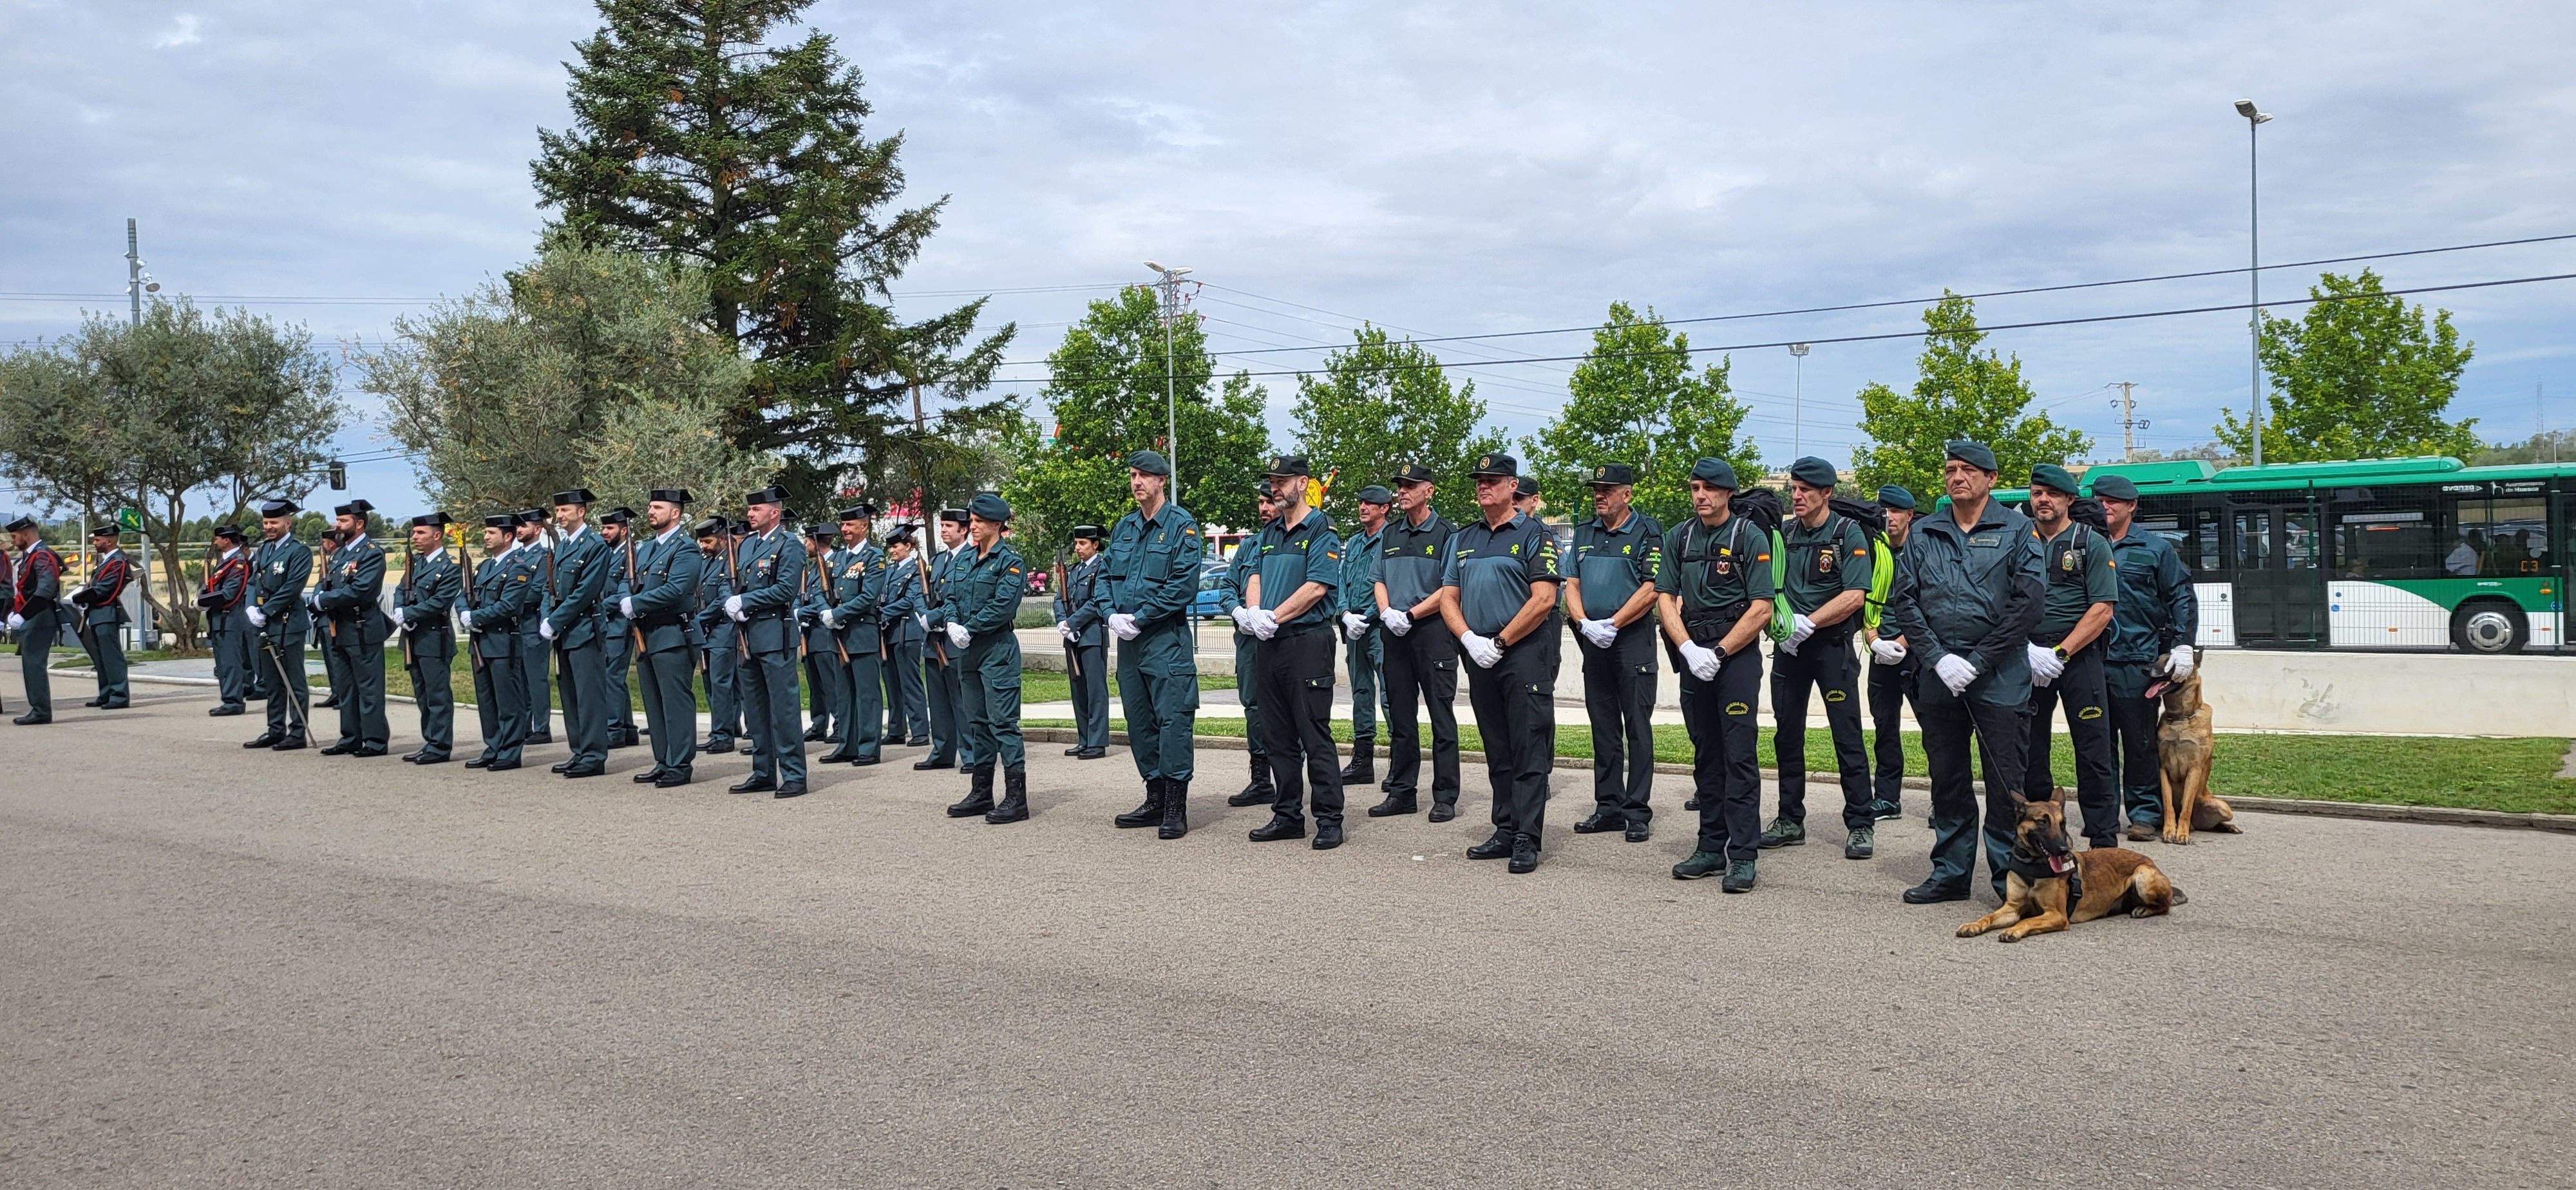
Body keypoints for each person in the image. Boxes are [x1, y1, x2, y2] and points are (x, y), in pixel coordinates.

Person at [1883, 440, 2045, 904]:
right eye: (1951, 469)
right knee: (1948, 780)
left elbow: (2028, 604)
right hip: (1939, 677)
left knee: (2006, 786)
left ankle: (2009, 881)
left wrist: (1976, 661)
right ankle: (1951, 874)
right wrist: (1937, 658)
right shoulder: (1924, 532)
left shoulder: (2019, 530)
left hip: (1999, 677)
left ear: (1991, 479)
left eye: (1969, 470)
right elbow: (1905, 600)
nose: (1957, 477)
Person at [1439, 453, 1561, 874]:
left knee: (1528, 747)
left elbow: (1544, 599)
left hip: (1522, 653)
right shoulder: (1463, 538)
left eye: (1492, 480)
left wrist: (1502, 640)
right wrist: (1469, 638)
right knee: (1497, 748)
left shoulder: (1535, 535)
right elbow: (1448, 597)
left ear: (1513, 487)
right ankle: (1505, 828)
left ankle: (1527, 837)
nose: (1483, 486)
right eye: (1480, 480)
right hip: (1480, 654)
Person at [1658, 458, 1774, 891]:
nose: (1700, 496)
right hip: (1695, 653)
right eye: (1695, 488)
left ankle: (1742, 855)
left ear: (1728, 493)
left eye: (1709, 488)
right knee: (1706, 753)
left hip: (1735, 656)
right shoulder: (1680, 536)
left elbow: (1761, 608)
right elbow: (1665, 598)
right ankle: (1710, 846)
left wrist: (1721, 651)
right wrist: (1688, 648)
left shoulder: (1748, 536)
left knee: (1738, 754)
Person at [1761, 457, 1879, 860]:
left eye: (1805, 490)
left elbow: (1855, 596)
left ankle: (1860, 823)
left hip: (1830, 648)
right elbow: (1767, 588)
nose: (1796, 496)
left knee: (1846, 735)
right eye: (1793, 489)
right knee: (1786, 734)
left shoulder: (1847, 533)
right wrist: (1782, 627)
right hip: (1790, 649)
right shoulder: (1784, 534)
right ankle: (1790, 819)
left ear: (1826, 493)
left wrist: (1808, 623)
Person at [1239, 455, 1348, 849]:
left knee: (1313, 733)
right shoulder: (1269, 532)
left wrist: (1276, 616)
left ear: (1303, 484)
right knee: (1278, 736)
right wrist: (1256, 612)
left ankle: (1329, 819)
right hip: (1270, 643)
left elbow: (1317, 586)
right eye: (1272, 481)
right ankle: (1287, 815)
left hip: (1306, 642)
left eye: (1282, 481)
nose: (1275, 488)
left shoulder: (1321, 529)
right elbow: (1254, 575)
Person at [1102, 449, 1204, 838]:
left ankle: (1176, 806)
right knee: (1140, 722)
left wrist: (1140, 618)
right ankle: (1155, 796)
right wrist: (1110, 614)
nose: (1137, 482)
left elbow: (1183, 586)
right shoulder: (1125, 527)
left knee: (1173, 721)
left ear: (1162, 481)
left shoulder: (1181, 526)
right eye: (1132, 475)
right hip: (1130, 644)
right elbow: (1104, 577)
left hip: (1165, 641)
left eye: (1144, 476)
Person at [2094, 473, 2199, 842]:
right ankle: (2102, 816)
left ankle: (2144, 814)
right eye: (2099, 501)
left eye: (2112, 502)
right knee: (2097, 744)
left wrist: (2184, 644)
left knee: (2139, 742)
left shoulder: (2156, 549)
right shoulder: (2083, 542)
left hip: (2136, 660)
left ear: (2132, 506)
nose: (2105, 507)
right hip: (2090, 659)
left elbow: (2181, 596)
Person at [2020, 464, 2120, 847]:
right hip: (2029, 657)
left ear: (2069, 500)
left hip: (2077, 658)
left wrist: (2061, 653)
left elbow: (2102, 609)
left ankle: (2103, 839)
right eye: (2037, 494)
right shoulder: (2019, 541)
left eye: (2052, 494)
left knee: (2094, 748)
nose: (2043, 500)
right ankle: (2040, 836)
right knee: (2030, 748)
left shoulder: (2090, 542)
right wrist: (2028, 650)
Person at [1565, 462, 1663, 843]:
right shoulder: (1584, 532)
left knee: (1637, 727)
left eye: (1607, 490)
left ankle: (1636, 811)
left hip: (1631, 639)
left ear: (1627, 494)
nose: (1599, 496)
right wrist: (1584, 623)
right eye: (1596, 490)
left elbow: (1652, 588)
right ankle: (1608, 807)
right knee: (1603, 727)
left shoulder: (1646, 532)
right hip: (1594, 640)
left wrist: (1614, 623)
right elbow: (1572, 583)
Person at [1370, 463, 1462, 820]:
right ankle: (1402, 792)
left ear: (1429, 491)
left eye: (1410, 486)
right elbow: (1378, 578)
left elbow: (1449, 588)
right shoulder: (1390, 533)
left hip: (1432, 633)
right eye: (1400, 486)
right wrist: (1387, 612)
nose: (1402, 492)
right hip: (1395, 633)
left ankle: (1445, 796)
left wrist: (1411, 615)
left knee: (1441, 717)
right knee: (1401, 718)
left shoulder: (1447, 534)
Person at [939, 493, 1030, 824]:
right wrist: (952, 622)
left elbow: (1003, 606)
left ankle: (1016, 798)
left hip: (996, 650)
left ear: (996, 524)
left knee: (1003, 723)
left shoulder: (1010, 562)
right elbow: (949, 595)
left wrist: (971, 627)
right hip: (969, 652)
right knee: (978, 723)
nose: (973, 526)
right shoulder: (965, 559)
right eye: (972, 521)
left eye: (978, 522)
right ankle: (981, 792)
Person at [725, 487, 811, 798]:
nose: (750, 514)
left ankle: (794, 775)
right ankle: (763, 772)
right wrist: (731, 603)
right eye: (750, 509)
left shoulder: (789, 545)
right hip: (748, 637)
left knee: (783, 709)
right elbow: (731, 583)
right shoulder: (748, 545)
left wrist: (745, 601)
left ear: (775, 513)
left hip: (776, 636)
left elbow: (786, 589)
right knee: (756, 709)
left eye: (757, 510)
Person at [622, 489, 706, 788]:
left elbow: (676, 589)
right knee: (654, 703)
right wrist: (625, 599)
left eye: (658, 507)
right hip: (646, 634)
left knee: (675, 702)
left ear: (675, 513)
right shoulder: (645, 549)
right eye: (650, 507)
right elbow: (626, 580)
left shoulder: (685, 548)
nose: (650, 511)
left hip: (673, 633)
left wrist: (636, 603)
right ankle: (663, 760)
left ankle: (680, 764)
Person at [538, 489, 614, 779]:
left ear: (581, 512)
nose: (559, 515)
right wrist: (547, 617)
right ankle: (579, 751)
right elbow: (550, 587)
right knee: (570, 695)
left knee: (588, 695)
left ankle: (594, 755)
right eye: (557, 511)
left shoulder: (594, 545)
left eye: (564, 510)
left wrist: (555, 620)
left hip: (584, 630)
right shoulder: (563, 546)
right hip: (565, 631)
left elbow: (585, 592)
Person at [313, 500, 392, 756]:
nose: (337, 525)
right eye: (337, 520)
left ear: (359, 524)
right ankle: (351, 737)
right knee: (346, 687)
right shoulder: (339, 554)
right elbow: (325, 582)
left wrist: (324, 600)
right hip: (340, 628)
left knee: (369, 688)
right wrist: (318, 596)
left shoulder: (371, 553)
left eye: (343, 521)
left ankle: (375, 740)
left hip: (362, 628)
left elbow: (361, 590)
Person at [1219, 487, 1280, 810]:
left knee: (1288, 709)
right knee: (1254, 708)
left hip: (1281, 637)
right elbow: (1227, 586)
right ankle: (1260, 780)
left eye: (1270, 502)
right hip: (1248, 641)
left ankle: (1288, 779)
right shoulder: (1248, 546)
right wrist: (1238, 612)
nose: (1264, 508)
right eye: (1261, 502)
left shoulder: (1294, 542)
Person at [462, 512, 533, 772]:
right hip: (481, 643)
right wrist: (464, 612)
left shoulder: (518, 567)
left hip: (504, 643)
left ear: (508, 536)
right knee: (487, 701)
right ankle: (493, 747)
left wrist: (475, 617)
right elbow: (464, 594)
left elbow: (509, 605)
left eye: (492, 533)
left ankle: (510, 752)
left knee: (508, 701)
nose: (486, 536)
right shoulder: (484, 567)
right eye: (486, 532)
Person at [390, 513, 460, 764]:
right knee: (422, 694)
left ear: (437, 535)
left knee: (437, 695)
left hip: (434, 639)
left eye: (421, 533)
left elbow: (440, 602)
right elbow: (401, 589)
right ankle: (430, 740)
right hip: (414, 638)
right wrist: (400, 610)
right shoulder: (416, 563)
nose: (415, 537)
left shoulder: (449, 568)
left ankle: (440, 746)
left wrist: (409, 613)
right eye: (414, 533)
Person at [1866, 485, 1918, 822]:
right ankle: (1887, 798)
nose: (1889, 518)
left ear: (1909, 515)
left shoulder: (1923, 550)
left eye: (1896, 512)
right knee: (1884, 726)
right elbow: (1860, 598)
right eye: (1884, 512)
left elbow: (1932, 604)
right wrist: (1874, 640)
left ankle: (1943, 800)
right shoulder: (1873, 551)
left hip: (1916, 651)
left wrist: (1903, 642)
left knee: (1935, 729)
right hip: (1880, 649)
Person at [819, 503, 887, 766]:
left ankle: (868, 747)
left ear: (864, 526)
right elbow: (821, 591)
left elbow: (868, 596)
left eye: (850, 524)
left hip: (861, 633)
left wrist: (838, 614)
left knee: (867, 694)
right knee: (844, 694)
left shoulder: (874, 557)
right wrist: (826, 612)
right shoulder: (836, 559)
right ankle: (847, 745)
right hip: (839, 637)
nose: (845, 529)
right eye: (843, 524)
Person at [242, 500, 312, 749]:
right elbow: (253, 582)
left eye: (274, 522)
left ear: (287, 523)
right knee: (271, 680)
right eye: (266, 523)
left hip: (288, 623)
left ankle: (297, 732)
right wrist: (251, 606)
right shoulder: (264, 550)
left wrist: (266, 610)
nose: (269, 527)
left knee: (293, 680)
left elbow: (292, 588)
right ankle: (275, 729)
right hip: (265, 624)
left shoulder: (299, 551)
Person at [1337, 486, 1390, 786]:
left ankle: (1399, 761)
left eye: (1370, 503)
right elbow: (1341, 580)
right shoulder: (1356, 542)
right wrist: (1345, 613)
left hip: (1380, 627)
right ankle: (1363, 760)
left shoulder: (1391, 539)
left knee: (1389, 693)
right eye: (1361, 502)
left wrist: (1368, 616)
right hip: (1354, 626)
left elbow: (1388, 583)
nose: (1363, 507)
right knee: (1361, 692)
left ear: (1385, 508)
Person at [915, 509, 970, 771]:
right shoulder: (937, 560)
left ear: (964, 530)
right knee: (937, 701)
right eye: (943, 525)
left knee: (962, 701)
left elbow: (962, 597)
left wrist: (936, 617)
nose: (944, 530)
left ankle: (971, 754)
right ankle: (942, 752)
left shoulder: (971, 558)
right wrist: (924, 616)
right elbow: (920, 591)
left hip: (955, 641)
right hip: (934, 641)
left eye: (949, 526)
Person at [1054, 524, 1110, 759]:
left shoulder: (1102, 568)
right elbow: (1060, 598)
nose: (1078, 547)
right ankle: (1084, 739)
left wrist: (1072, 623)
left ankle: (1097, 743)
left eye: (1083, 543)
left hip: (1092, 636)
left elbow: (1098, 602)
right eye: (1076, 543)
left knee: (1096, 691)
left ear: (1095, 545)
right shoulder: (1074, 570)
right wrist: (1062, 623)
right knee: (1078, 691)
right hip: (1072, 637)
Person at [64, 525, 134, 710]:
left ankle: (119, 695)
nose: (94, 543)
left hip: (106, 613)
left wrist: (78, 598)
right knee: (101, 657)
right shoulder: (107, 561)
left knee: (111, 657)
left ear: (109, 541)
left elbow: (104, 588)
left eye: (97, 540)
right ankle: (106, 694)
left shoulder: (118, 562)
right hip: (97, 613)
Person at [6, 516, 64, 724]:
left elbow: (45, 591)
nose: (13, 541)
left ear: (26, 534)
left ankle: (41, 711)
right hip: (34, 616)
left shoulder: (42, 556)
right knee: (31, 664)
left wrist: (23, 614)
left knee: (34, 665)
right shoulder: (32, 556)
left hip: (40, 616)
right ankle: (39, 709)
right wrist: (14, 612)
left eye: (15, 537)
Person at [196, 524, 255, 716]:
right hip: (219, 619)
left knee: (231, 663)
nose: (215, 542)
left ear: (227, 540)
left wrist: (202, 601)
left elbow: (230, 593)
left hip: (230, 619)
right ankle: (229, 699)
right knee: (223, 664)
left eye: (218, 539)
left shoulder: (238, 563)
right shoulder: (225, 561)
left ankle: (234, 701)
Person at [880, 525, 930, 748]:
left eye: (896, 546)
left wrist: (883, 612)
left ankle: (920, 731)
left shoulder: (916, 569)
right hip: (889, 632)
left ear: (908, 546)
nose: (892, 551)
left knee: (910, 683)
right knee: (892, 683)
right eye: (890, 547)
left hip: (906, 631)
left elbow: (911, 600)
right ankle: (896, 729)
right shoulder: (890, 570)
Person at [596, 507, 641, 750]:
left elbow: (629, 589)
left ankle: (614, 730)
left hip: (620, 623)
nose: (604, 532)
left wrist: (600, 605)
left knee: (612, 676)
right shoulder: (607, 553)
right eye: (603, 528)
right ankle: (627, 729)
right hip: (607, 623)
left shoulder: (632, 555)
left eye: (610, 528)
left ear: (624, 531)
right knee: (613, 676)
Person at [798, 523, 846, 746]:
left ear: (816, 543)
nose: (805, 545)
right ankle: (819, 724)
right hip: (811, 633)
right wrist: (798, 611)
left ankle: (840, 724)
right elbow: (805, 596)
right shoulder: (813, 568)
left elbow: (829, 601)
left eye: (808, 541)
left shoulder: (836, 565)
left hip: (827, 632)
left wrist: (803, 612)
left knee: (831, 682)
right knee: (815, 683)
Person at [514, 510, 555, 744]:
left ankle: (542, 727)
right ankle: (524, 726)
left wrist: (509, 601)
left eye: (524, 526)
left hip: (533, 624)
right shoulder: (515, 556)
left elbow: (538, 591)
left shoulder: (543, 557)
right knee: (520, 679)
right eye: (518, 527)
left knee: (536, 679)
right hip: (517, 625)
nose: (519, 530)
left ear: (537, 529)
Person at [311, 526, 348, 711]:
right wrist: (317, 599)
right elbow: (320, 584)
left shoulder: (341, 560)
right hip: (323, 616)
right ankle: (336, 692)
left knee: (336, 660)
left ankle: (342, 694)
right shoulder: (329, 561)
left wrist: (323, 599)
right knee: (329, 657)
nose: (323, 546)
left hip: (333, 615)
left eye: (325, 543)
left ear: (332, 544)